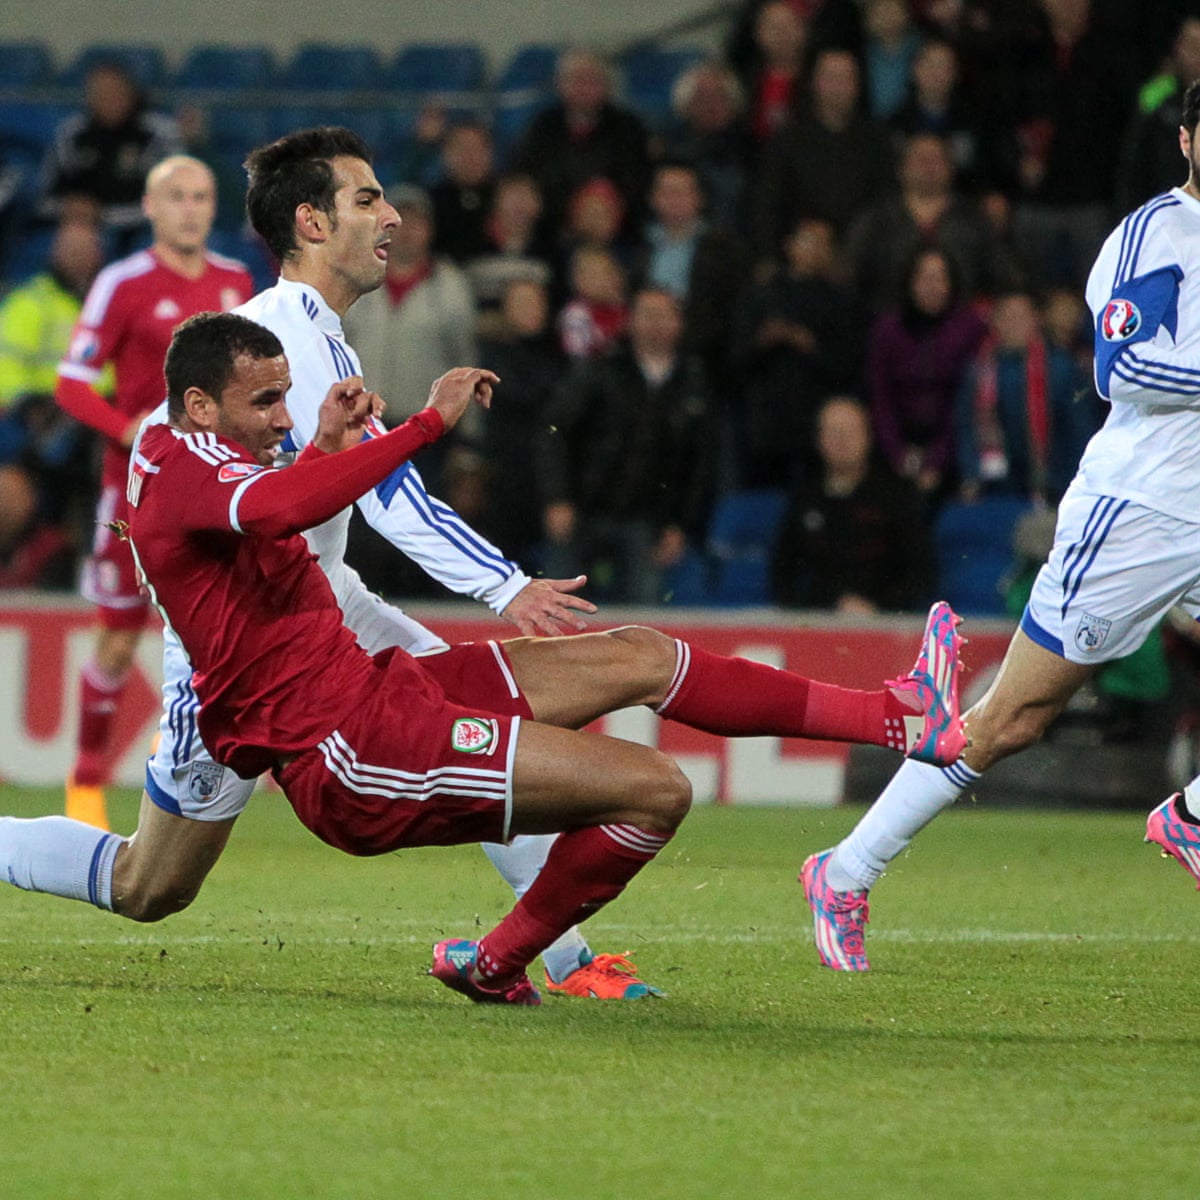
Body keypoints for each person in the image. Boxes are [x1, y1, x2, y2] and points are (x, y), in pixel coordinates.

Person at [121, 309, 966, 1006]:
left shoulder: (208, 461)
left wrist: (324, 447)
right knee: (658, 790)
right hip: (348, 753)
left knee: (639, 654)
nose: (283, 416)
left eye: (285, 397)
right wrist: (423, 426)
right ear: (199, 405)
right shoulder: (182, 469)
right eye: (266, 401)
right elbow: (280, 511)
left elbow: (271, 519)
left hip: (382, 692)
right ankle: (497, 963)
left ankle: (897, 718)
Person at [801, 78, 1200, 971]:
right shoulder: (1157, 233)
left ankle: (1191, 816)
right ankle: (846, 869)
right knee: (1013, 718)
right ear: (1185, 140)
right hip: (1140, 511)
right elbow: (1121, 367)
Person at [54, 155, 253, 830]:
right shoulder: (123, 283)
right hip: (134, 493)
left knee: (216, 639)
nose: (190, 209)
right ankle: (86, 779)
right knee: (117, 639)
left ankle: (195, 772)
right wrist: (128, 429)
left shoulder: (235, 281)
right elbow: (72, 384)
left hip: (214, 492)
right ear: (150, 206)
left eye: (201, 196)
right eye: (176, 196)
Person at [537, 287, 714, 604]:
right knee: (559, 604)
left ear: (679, 322)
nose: (656, 323)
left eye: (664, 315)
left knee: (642, 611)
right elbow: (555, 431)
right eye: (648, 314)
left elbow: (697, 462)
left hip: (645, 517)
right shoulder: (601, 369)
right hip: (583, 508)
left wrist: (679, 523)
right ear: (631, 321)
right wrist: (557, 497)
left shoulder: (693, 380)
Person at [772, 395, 929, 613]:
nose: (842, 441)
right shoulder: (805, 497)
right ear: (818, 439)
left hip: (883, 618)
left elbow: (921, 571)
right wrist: (817, 607)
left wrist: (878, 608)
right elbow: (782, 572)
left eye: (850, 432)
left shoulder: (895, 495)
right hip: (819, 618)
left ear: (868, 437)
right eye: (833, 432)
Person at [38, 61, 183, 252]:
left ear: (131, 94)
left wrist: (103, 215)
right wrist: (69, 208)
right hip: (79, 228)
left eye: (115, 92)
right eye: (100, 93)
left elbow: (174, 197)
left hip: (140, 230)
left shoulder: (161, 132)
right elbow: (45, 197)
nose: (109, 99)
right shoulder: (71, 133)